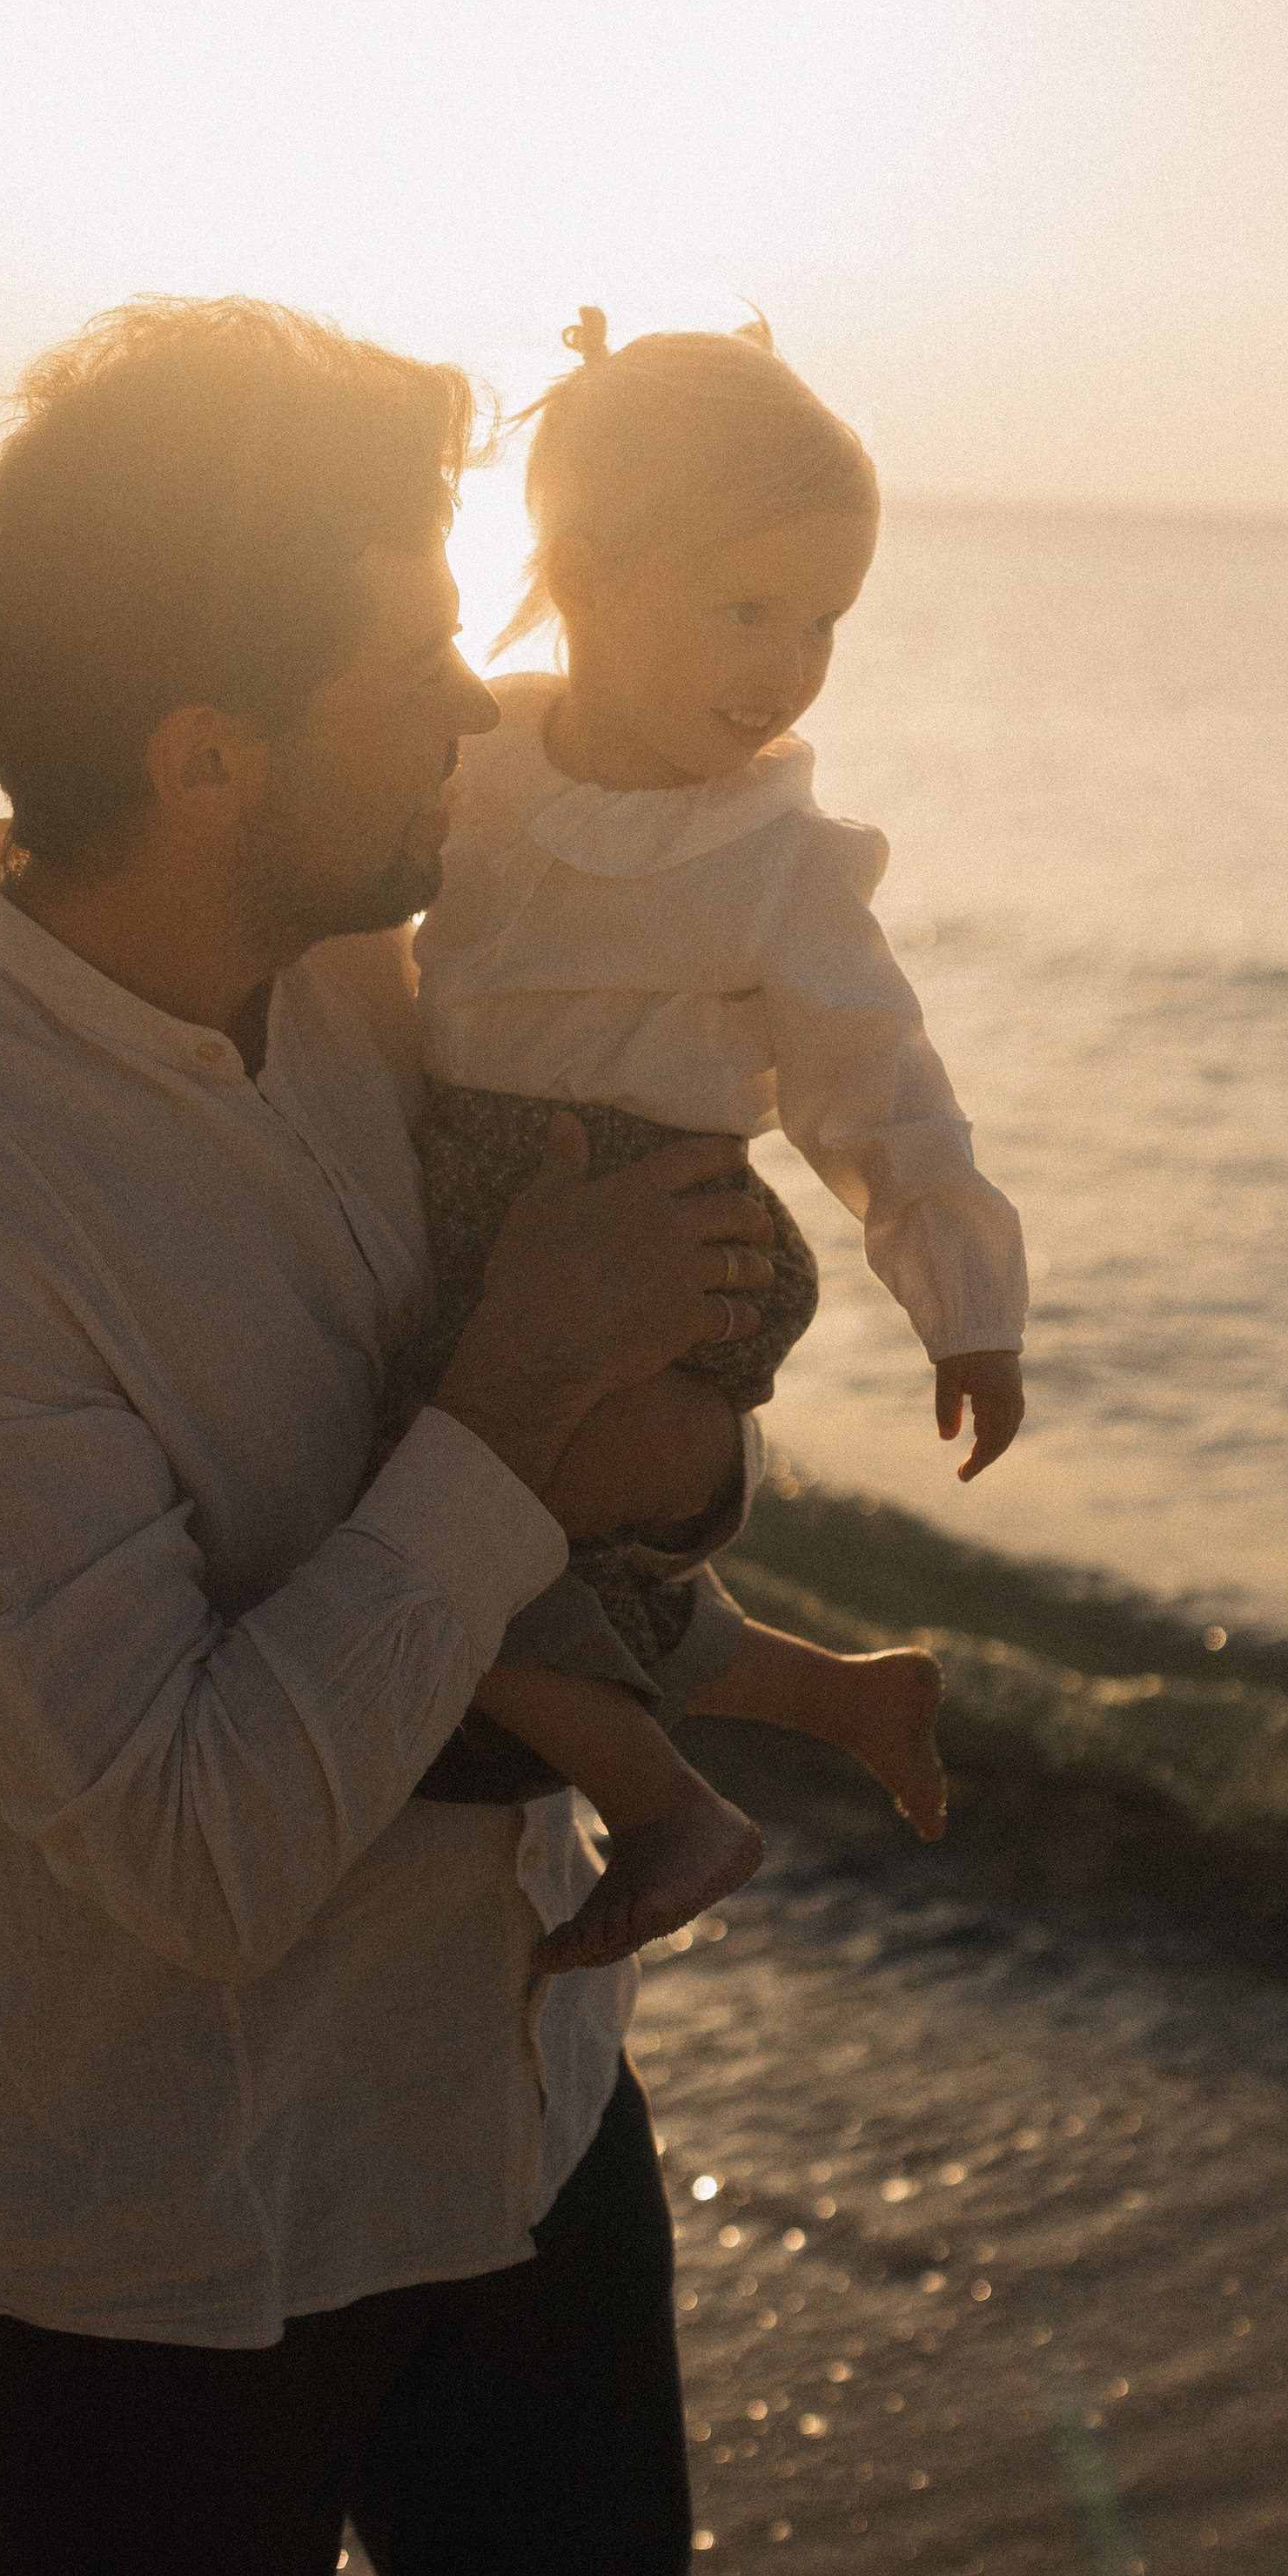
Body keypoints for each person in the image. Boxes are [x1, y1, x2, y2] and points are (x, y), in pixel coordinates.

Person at [0, 298, 786, 2576]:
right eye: (415, 668)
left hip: (516, 2113)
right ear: (206, 759)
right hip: (150, 2239)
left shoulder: (392, 983)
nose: (481, 712)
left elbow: (630, 1435)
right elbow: (199, 1850)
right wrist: (522, 1393)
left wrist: (682, 1442)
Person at [404, 307, 1031, 1974]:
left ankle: (671, 1806)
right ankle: (842, 1698)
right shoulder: (473, 757)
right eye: (746, 609)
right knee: (447, 1519)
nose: (789, 664)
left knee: (433, 1506)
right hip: (469, 1213)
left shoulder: (784, 862)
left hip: (674, 1231)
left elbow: (880, 1084)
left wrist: (968, 1305)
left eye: (824, 622)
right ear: (586, 576)